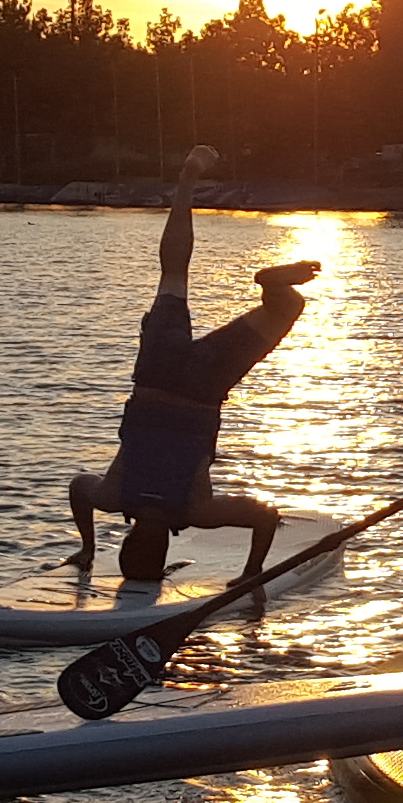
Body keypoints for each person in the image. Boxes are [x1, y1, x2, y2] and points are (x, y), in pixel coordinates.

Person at [68, 143, 323, 591]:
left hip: (203, 388)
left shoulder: (195, 513)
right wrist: (88, 545)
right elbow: (77, 488)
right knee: (173, 273)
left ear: (166, 550)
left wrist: (251, 573)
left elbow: (266, 517)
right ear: (127, 539)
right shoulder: (113, 495)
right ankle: (186, 180)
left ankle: (275, 289)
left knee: (290, 307)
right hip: (154, 377)